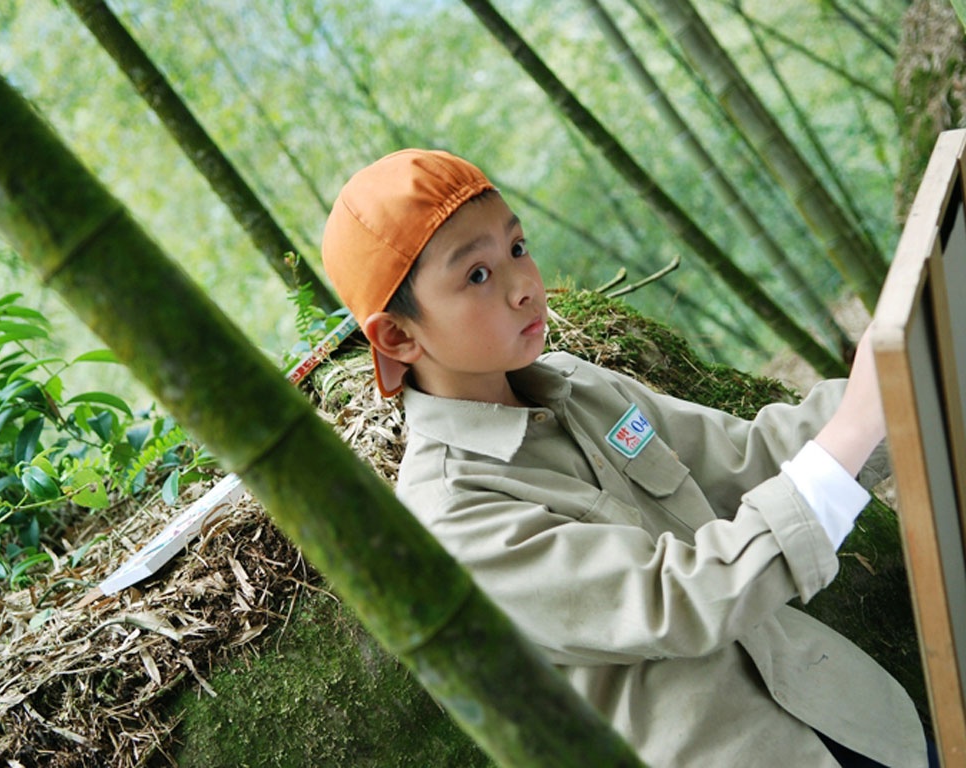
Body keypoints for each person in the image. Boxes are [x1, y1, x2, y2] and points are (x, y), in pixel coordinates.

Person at [320, 148, 931, 767]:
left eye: (518, 248)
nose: (524, 287)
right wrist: (856, 426)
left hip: (850, 720)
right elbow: (679, 600)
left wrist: (902, 376)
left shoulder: (578, 385)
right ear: (397, 335)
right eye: (477, 275)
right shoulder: (452, 516)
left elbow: (753, 458)